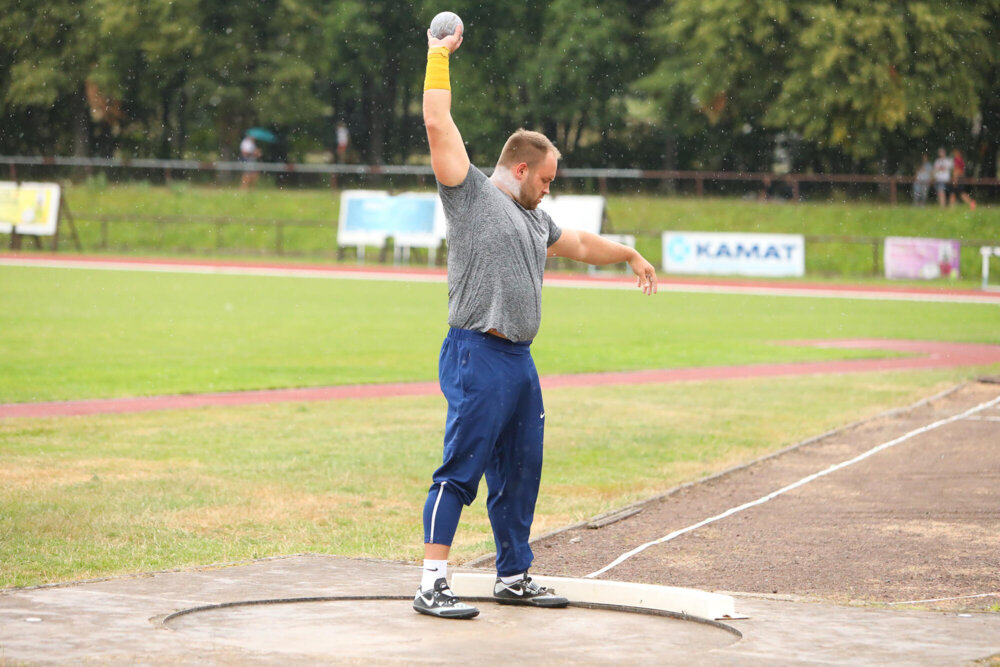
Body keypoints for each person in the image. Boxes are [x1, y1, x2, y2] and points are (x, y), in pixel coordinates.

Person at [413, 25, 658, 620]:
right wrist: (437, 56)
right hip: (476, 351)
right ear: (520, 169)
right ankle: (431, 580)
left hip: (519, 362)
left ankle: (513, 574)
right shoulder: (470, 194)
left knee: (522, 471)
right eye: (545, 179)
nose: (550, 191)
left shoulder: (534, 220)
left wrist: (626, 253)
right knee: (462, 468)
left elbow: (576, 241)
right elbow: (438, 124)